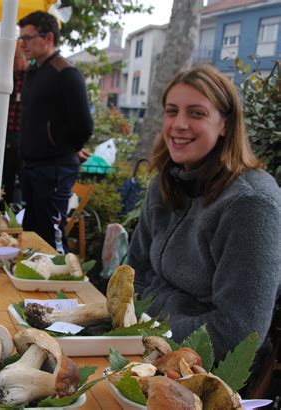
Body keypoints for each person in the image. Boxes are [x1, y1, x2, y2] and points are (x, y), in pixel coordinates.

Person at [127, 65, 281, 364]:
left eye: (196, 113)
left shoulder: (251, 205)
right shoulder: (167, 183)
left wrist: (147, 333)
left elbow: (237, 334)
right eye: (172, 111)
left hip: (209, 372)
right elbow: (133, 274)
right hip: (143, 344)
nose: (179, 124)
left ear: (225, 124)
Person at [18, 11, 93, 253]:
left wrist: (61, 146)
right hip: (32, 165)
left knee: (49, 236)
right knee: (31, 232)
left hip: (55, 167)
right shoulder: (33, 72)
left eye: (28, 38)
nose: (23, 44)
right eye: (22, 39)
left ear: (48, 37)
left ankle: (57, 289)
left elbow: (84, 125)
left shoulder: (66, 73)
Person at [0, 45, 29, 205]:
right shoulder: (4, 77)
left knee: (24, 185)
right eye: (12, 58)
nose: (14, 63)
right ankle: (2, 212)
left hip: (24, 140)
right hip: (5, 139)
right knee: (3, 182)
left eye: (17, 58)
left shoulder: (31, 78)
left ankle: (18, 214)